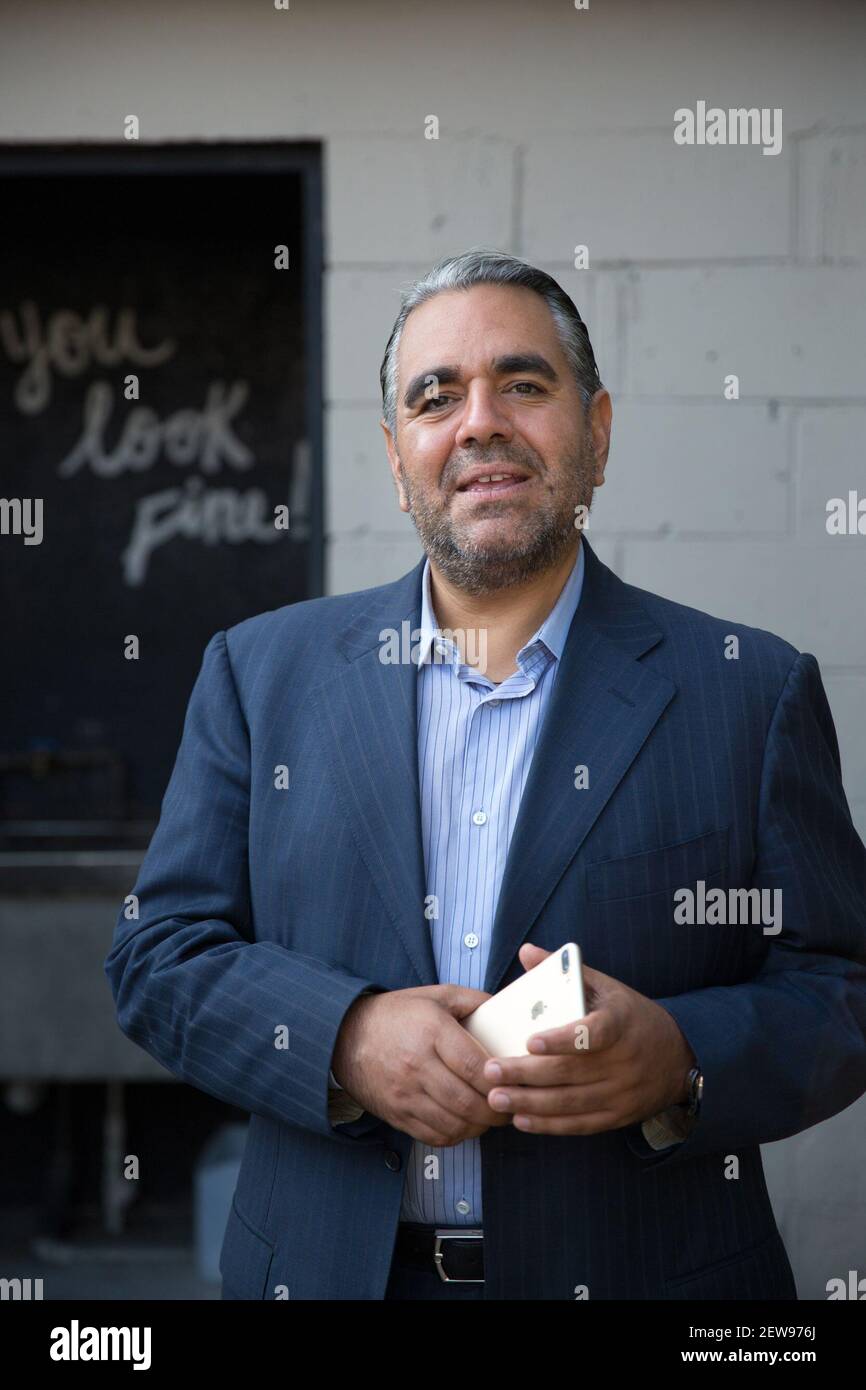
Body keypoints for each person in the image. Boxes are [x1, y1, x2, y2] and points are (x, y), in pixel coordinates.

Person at [105, 249, 866, 1300]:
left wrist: (682, 1054)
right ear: (395, 453)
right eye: (435, 396)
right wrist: (345, 1036)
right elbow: (157, 955)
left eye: (521, 383)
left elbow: (841, 985)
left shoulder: (747, 689)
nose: (479, 423)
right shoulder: (259, 672)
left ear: (595, 432)